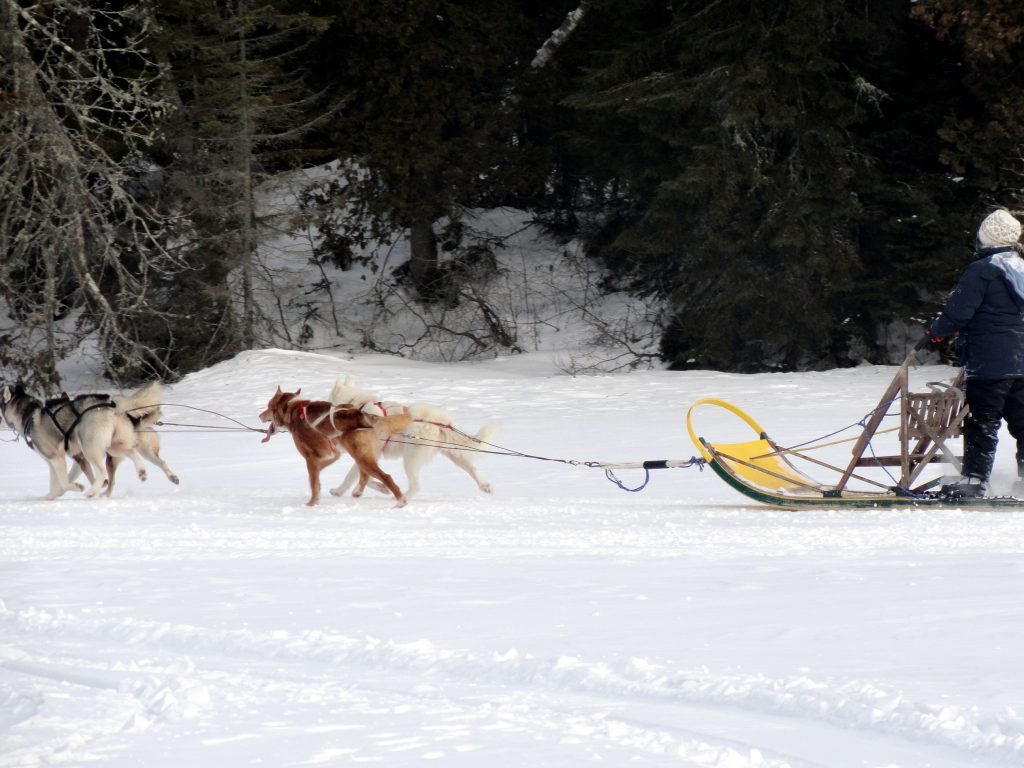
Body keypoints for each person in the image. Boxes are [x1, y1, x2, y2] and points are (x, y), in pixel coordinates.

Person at [926, 208, 1024, 498]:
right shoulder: (1021, 267)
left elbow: (959, 311)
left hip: (990, 363)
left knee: (983, 423)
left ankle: (974, 481)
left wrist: (936, 332)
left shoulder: (982, 270)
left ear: (986, 239)